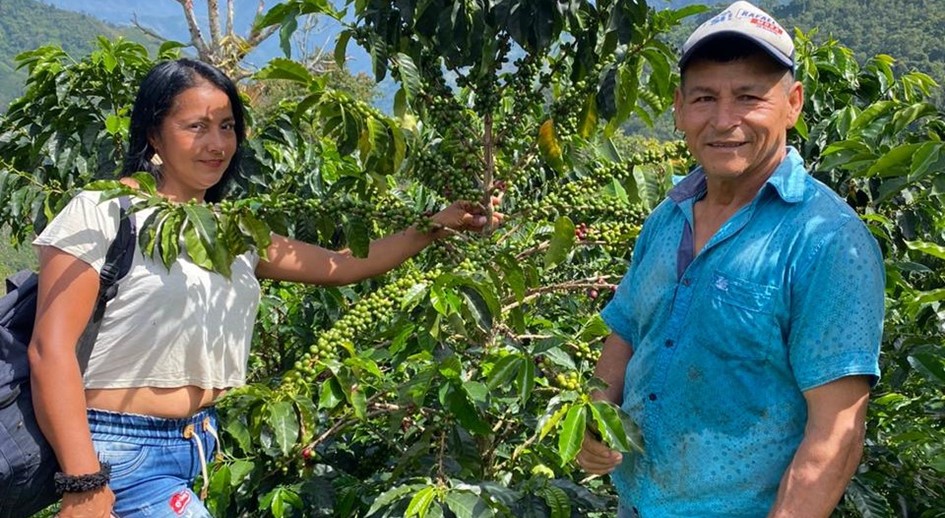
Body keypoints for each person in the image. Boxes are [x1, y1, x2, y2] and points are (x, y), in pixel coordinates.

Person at [28, 58, 502, 518]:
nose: (217, 144)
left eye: (227, 127)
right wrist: (84, 484)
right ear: (154, 134)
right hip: (119, 453)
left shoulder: (231, 230)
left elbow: (341, 265)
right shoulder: (104, 210)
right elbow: (51, 349)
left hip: (195, 445)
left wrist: (438, 225)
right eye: (196, 127)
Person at [576, 2, 885, 516]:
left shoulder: (827, 241)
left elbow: (836, 433)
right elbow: (627, 329)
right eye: (704, 98)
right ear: (679, 109)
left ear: (793, 104)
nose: (724, 121)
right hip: (636, 502)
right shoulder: (667, 216)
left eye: (749, 97)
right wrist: (597, 413)